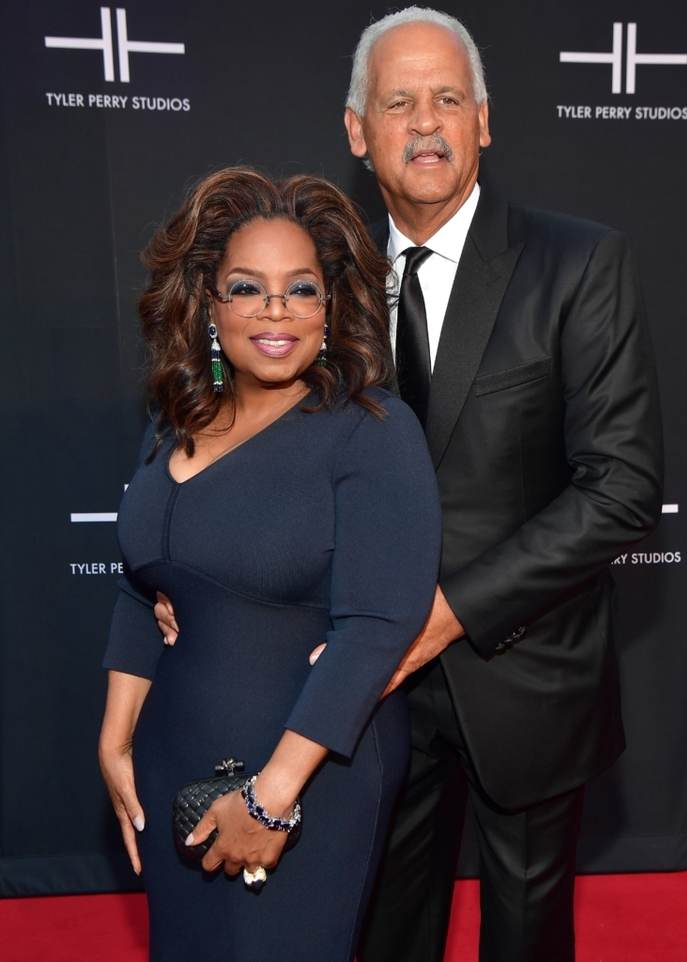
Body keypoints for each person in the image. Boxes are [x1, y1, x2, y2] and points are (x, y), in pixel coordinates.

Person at [158, 9, 664, 959]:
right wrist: (179, 579)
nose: (425, 123)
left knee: (524, 938)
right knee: (379, 933)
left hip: (526, 676)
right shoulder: (320, 286)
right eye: (399, 102)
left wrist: (443, 615)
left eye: (446, 99)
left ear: (484, 119)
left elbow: (621, 485)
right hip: (360, 694)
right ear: (358, 131)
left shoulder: (579, 261)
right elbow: (252, 444)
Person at [98, 168, 441, 962]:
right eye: (248, 288)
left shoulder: (370, 430)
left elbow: (378, 625)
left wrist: (274, 799)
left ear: (332, 306)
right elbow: (136, 589)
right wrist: (116, 739)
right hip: (172, 760)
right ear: (210, 306)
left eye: (302, 289)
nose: (276, 310)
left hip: (308, 775)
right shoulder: (170, 420)